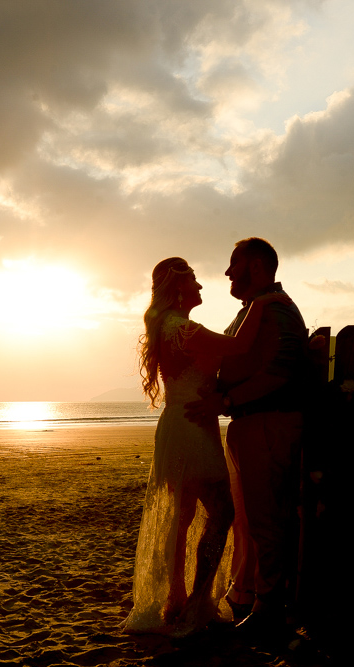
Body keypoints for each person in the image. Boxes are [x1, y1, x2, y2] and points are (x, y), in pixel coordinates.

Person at [124, 257, 290, 637]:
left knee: (182, 518)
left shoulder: (169, 326)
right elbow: (238, 344)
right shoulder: (181, 327)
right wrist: (262, 302)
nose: (201, 287)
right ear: (179, 288)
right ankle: (195, 603)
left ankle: (177, 600)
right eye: (195, 281)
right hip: (192, 428)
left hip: (182, 424)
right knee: (222, 511)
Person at [186, 237, 309, 637]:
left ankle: (269, 608)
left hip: (267, 423)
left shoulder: (279, 310)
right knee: (248, 520)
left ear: (257, 267)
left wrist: (227, 398)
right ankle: (248, 596)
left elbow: (281, 370)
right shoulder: (257, 309)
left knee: (266, 520)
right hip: (247, 423)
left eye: (233, 263)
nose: (226, 272)